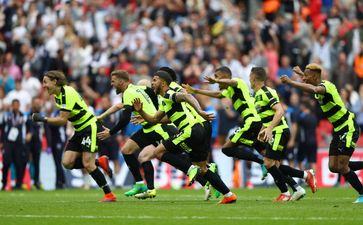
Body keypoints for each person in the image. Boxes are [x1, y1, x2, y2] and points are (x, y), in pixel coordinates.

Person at [133, 71, 237, 204]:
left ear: (163, 82)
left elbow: (188, 97)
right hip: (202, 127)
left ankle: (190, 169)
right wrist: (142, 112)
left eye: (154, 80)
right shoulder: (165, 101)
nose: (152, 83)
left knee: (158, 152)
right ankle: (228, 194)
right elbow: (155, 119)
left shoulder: (169, 93)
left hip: (191, 129)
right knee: (203, 169)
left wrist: (200, 111)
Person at [281, 63, 363, 203]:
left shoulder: (326, 87)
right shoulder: (317, 83)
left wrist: (291, 82)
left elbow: (315, 88)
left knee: (343, 166)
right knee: (333, 166)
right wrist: (301, 74)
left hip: (348, 127)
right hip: (338, 130)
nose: (304, 78)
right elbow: (312, 83)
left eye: (307, 76)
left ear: (314, 76)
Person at [32, 70, 116, 202]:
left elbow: (62, 120)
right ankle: (99, 162)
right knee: (67, 162)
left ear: (55, 81)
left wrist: (43, 119)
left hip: (89, 127)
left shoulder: (67, 93)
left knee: (87, 164)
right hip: (79, 129)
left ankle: (109, 194)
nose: (43, 86)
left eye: (45, 82)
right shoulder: (58, 95)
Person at [96, 70, 178, 198]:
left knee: (175, 157)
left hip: (158, 128)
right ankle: (142, 185)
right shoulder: (136, 90)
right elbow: (119, 106)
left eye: (113, 81)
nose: (111, 84)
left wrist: (111, 132)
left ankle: (206, 175)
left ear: (122, 81)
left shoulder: (130, 92)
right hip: (148, 128)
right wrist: (102, 116)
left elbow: (124, 118)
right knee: (129, 151)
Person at [183, 66, 268, 182]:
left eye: (217, 76)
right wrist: (195, 91)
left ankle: (261, 161)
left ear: (225, 77)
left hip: (252, 122)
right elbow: (218, 94)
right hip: (255, 123)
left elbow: (231, 82)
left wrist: (216, 81)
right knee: (268, 155)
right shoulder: (230, 91)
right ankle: (292, 184)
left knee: (227, 149)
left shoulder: (238, 82)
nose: (215, 80)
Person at [249, 67, 309, 201]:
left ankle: (286, 192)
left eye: (250, 77)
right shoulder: (257, 97)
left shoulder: (266, 92)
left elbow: (280, 111)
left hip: (279, 130)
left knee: (268, 163)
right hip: (274, 131)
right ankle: (298, 186)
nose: (249, 80)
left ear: (254, 78)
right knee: (275, 165)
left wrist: (269, 128)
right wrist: (262, 131)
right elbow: (268, 116)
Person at [0, 99, 29, 190]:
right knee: (6, 163)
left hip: (19, 144)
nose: (15, 106)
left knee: (19, 164)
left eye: (17, 105)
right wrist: (1, 142)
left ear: (19, 105)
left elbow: (29, 128)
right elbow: (2, 129)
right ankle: (4, 183)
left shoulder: (24, 116)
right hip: (8, 143)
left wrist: (28, 135)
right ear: (12, 106)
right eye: (14, 105)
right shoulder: (6, 116)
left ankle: (18, 183)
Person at [26, 98, 43, 189]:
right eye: (36, 103)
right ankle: (24, 181)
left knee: (37, 163)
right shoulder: (26, 115)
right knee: (25, 162)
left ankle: (36, 182)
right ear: (32, 104)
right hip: (27, 143)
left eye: (39, 103)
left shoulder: (41, 116)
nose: (38, 105)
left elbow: (43, 130)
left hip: (37, 143)